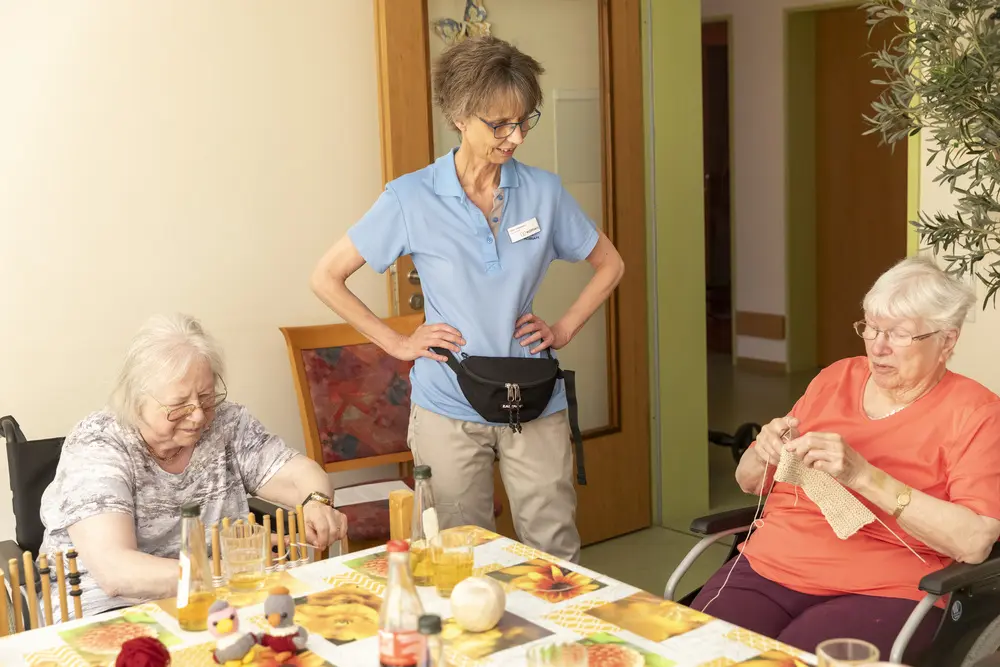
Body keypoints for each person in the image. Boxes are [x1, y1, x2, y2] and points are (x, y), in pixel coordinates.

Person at [310, 36, 624, 563]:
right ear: (459, 116)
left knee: (554, 551)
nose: (516, 137)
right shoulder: (410, 197)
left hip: (535, 397)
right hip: (449, 399)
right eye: (499, 124)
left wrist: (564, 328)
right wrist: (396, 341)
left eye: (525, 121)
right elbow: (327, 276)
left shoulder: (544, 192)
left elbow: (610, 263)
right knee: (458, 555)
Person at [691, 257, 1000, 660]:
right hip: (770, 566)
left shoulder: (977, 413)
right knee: (693, 653)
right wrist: (765, 449)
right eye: (870, 327)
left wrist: (863, 476)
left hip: (886, 590)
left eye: (899, 334)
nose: (878, 346)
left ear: (947, 341)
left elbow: (974, 543)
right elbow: (750, 480)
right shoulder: (835, 378)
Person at [38, 314, 348, 618]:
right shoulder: (98, 444)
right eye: (179, 406)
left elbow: (298, 475)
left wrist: (316, 502)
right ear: (135, 401)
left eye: (206, 397)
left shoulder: (225, 424)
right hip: (107, 608)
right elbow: (116, 572)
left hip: (215, 597)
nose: (198, 415)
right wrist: (229, 569)